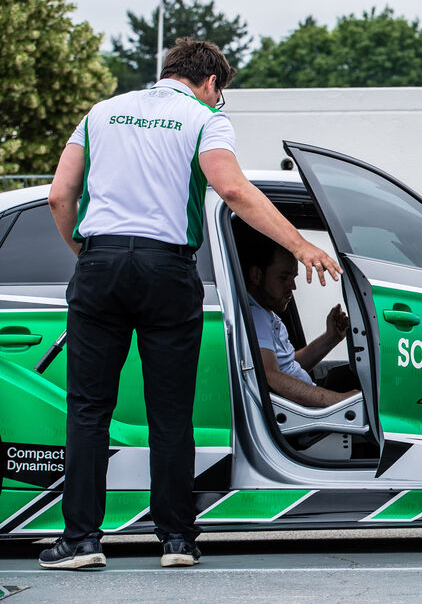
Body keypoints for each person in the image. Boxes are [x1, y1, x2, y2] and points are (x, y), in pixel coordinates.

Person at [43, 38, 341, 570]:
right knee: (171, 411)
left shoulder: (101, 112)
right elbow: (232, 190)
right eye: (219, 94)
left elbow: (59, 196)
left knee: (89, 410)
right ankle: (177, 540)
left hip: (100, 263)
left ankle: (81, 541)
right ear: (211, 84)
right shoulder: (205, 119)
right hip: (167, 268)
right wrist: (300, 244)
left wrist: (87, 255)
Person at [236, 225, 360, 407]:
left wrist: (331, 337)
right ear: (256, 275)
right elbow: (273, 376)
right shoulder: (255, 317)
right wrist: (341, 402)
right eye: (284, 277)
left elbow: (287, 366)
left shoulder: (266, 314)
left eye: (293, 277)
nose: (292, 287)